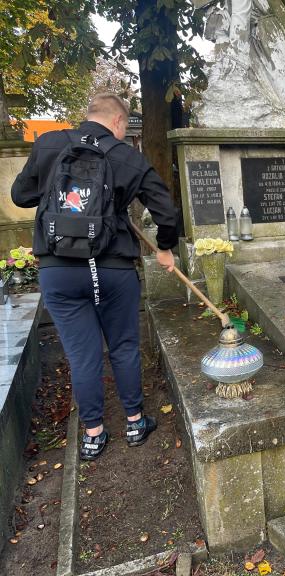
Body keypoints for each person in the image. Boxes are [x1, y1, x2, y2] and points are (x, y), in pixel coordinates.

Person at [11, 93, 178, 461]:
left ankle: (93, 434)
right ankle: (135, 422)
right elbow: (167, 212)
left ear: (89, 116)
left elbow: (20, 195)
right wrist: (164, 248)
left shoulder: (50, 144)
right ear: (119, 122)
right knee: (122, 345)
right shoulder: (127, 157)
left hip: (59, 270)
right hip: (113, 269)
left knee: (81, 354)